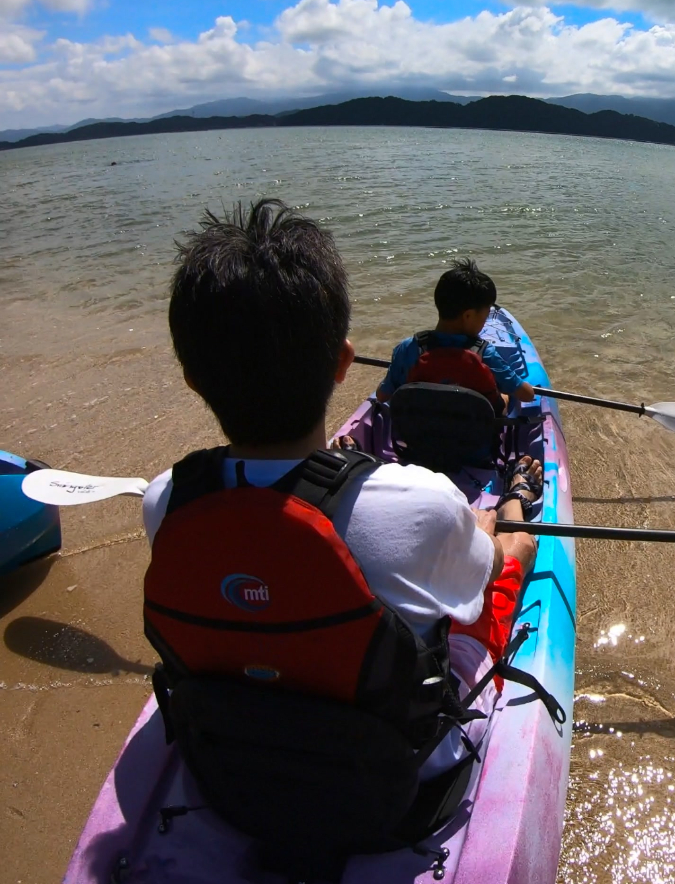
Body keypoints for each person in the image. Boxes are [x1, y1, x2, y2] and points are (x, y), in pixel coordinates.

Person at [138, 199, 546, 872]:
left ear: (191, 377)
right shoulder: (422, 505)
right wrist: (494, 527)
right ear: (341, 361)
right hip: (397, 773)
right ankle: (519, 502)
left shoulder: (166, 502)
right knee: (511, 549)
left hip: (235, 768)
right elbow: (468, 596)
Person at [375, 257, 536, 409]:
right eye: (485, 316)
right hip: (473, 437)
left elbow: (382, 396)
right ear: (468, 315)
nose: (485, 322)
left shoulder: (407, 348)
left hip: (417, 436)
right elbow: (527, 395)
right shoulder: (484, 354)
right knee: (504, 397)